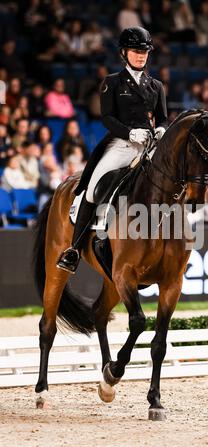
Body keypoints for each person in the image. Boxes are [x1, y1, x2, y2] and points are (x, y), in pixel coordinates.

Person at [57, 27, 168, 274]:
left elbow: (162, 118)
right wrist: (129, 132)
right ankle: (74, 249)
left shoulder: (156, 86)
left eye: (145, 52)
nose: (141, 56)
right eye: (136, 51)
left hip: (149, 147)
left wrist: (161, 129)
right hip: (121, 144)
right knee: (92, 188)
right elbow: (106, 118)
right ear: (124, 53)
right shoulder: (112, 82)